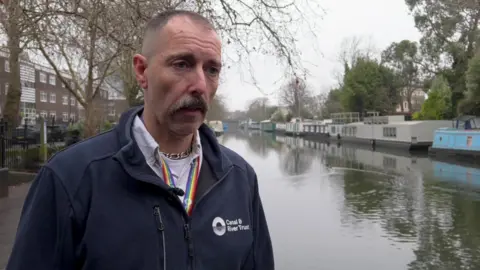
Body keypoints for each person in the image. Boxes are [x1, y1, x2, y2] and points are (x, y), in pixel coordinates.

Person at [6, 10, 274, 270]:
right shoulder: (70, 178)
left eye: (212, 69)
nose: (200, 85)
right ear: (142, 71)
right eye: (182, 64)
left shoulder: (240, 178)